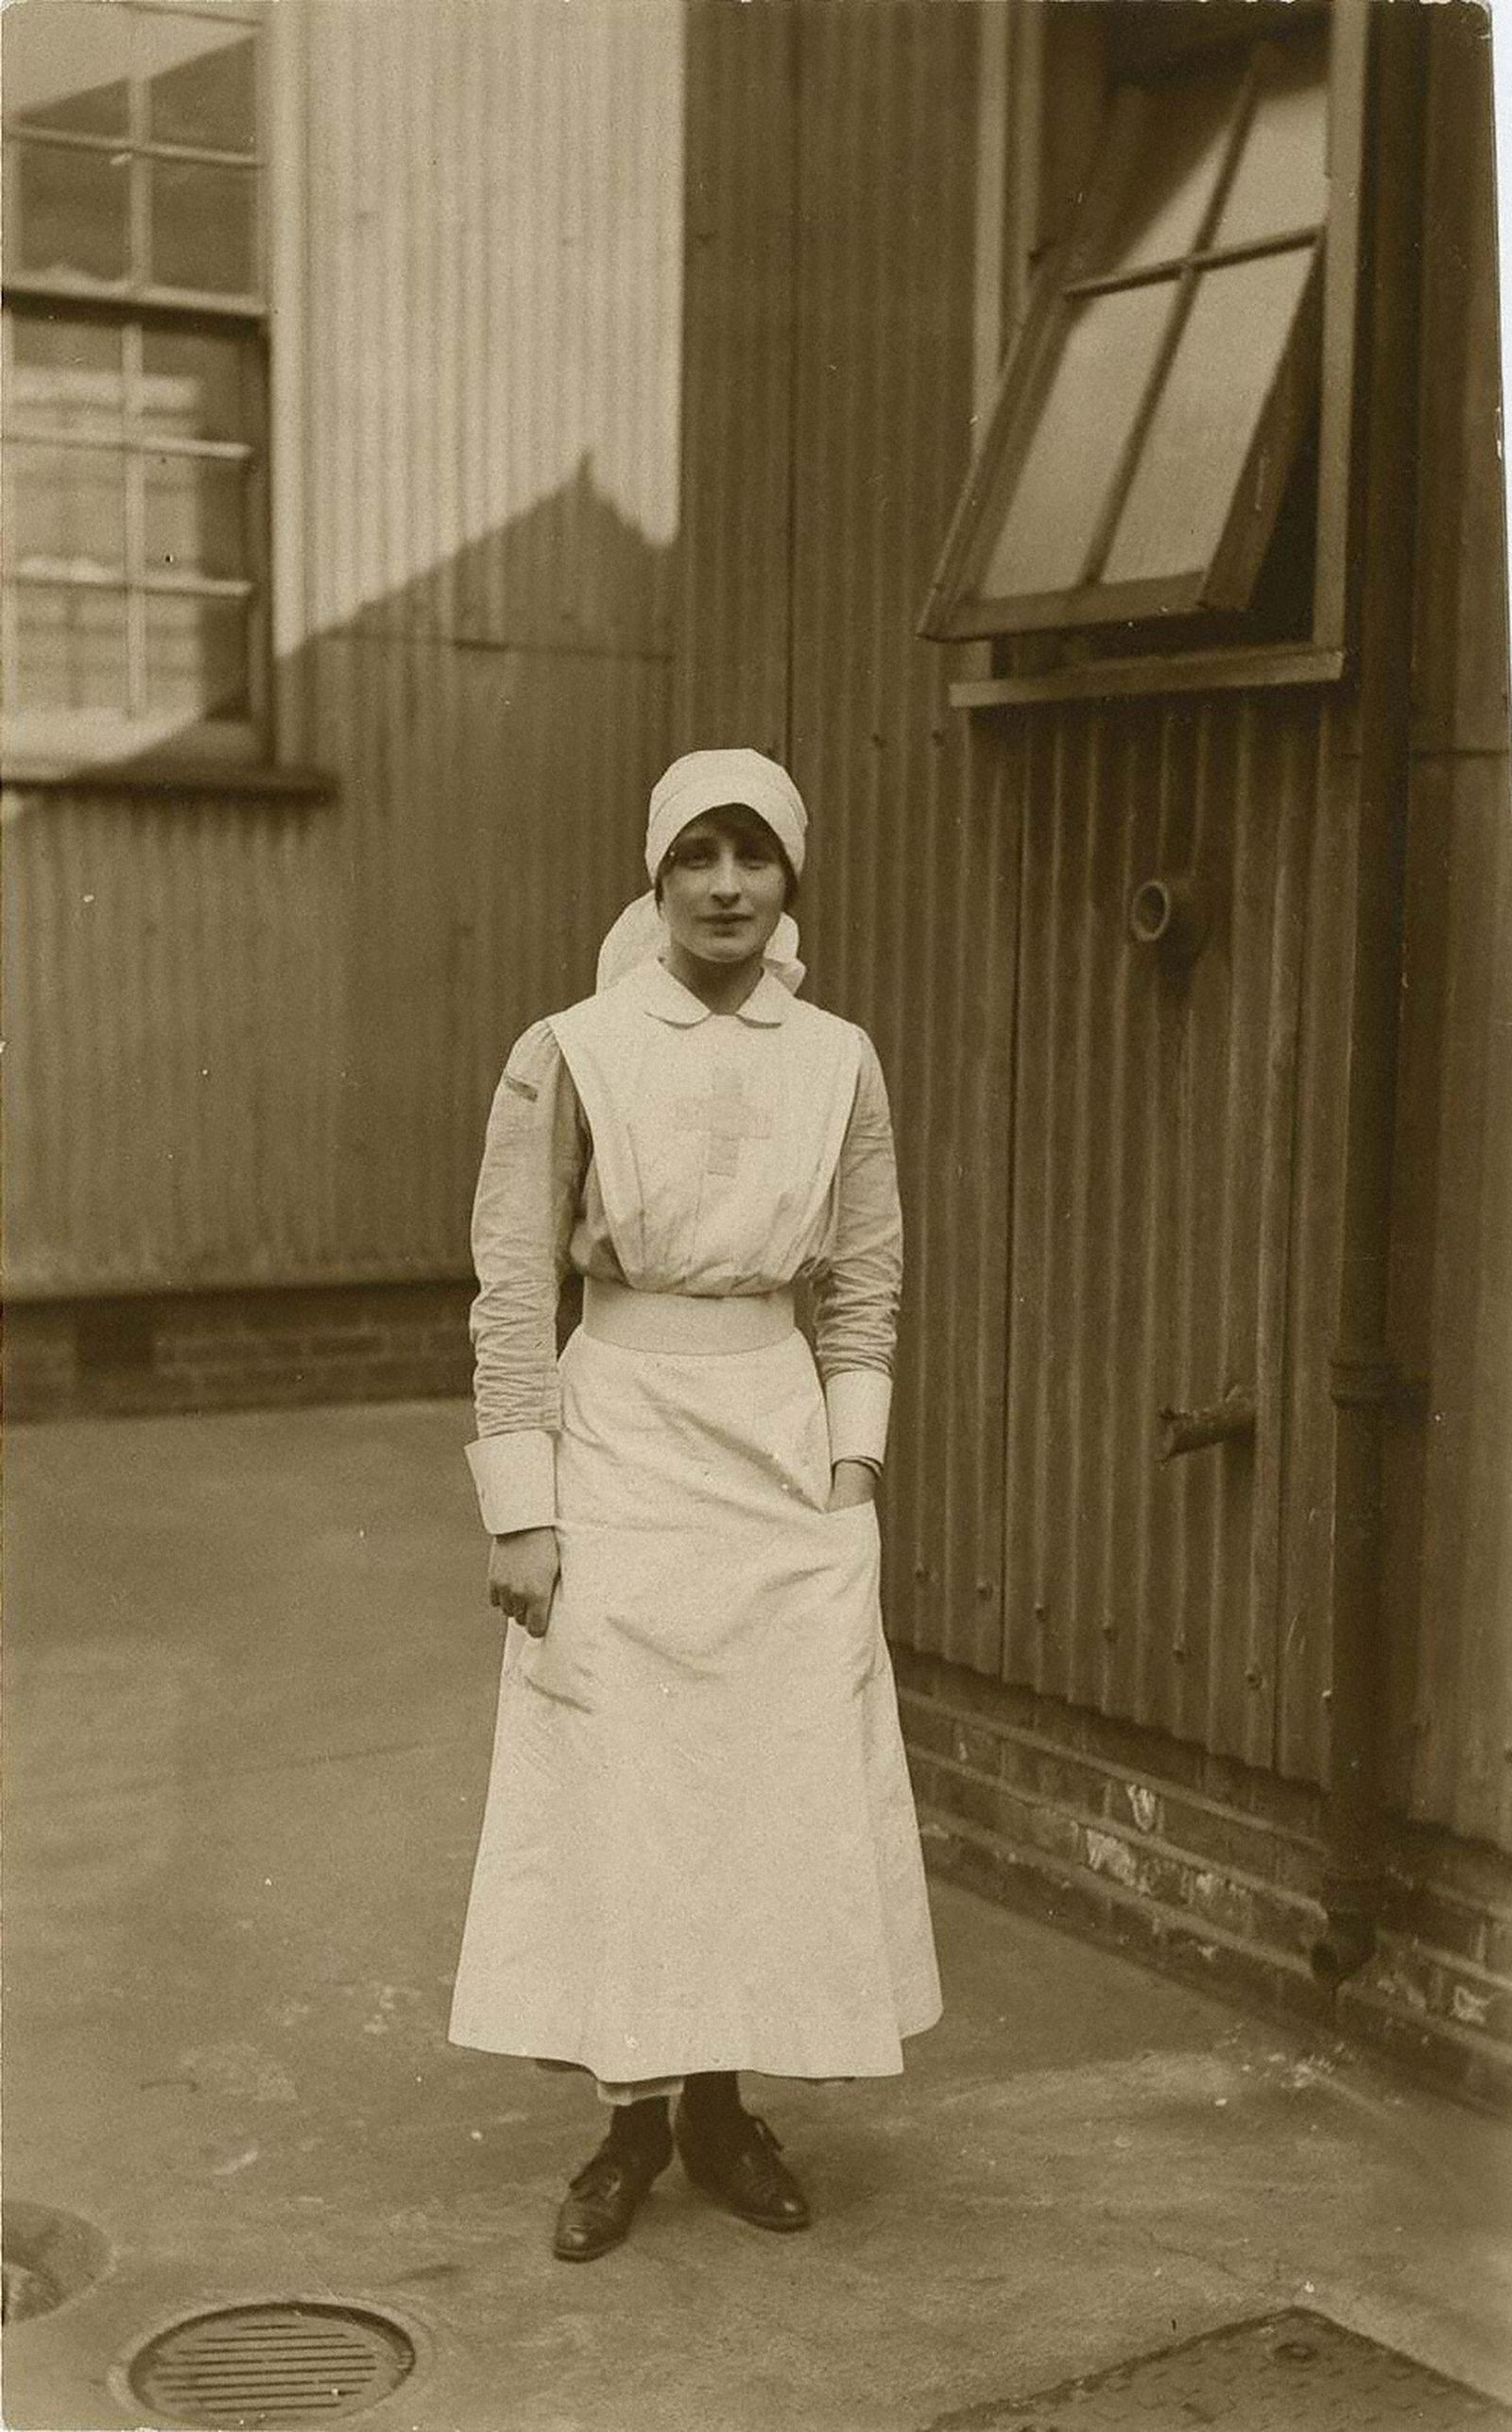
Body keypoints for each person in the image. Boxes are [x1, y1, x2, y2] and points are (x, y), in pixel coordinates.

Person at [450, 747, 941, 2261]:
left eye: (756, 858)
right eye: (697, 859)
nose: (727, 886)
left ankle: (724, 2111)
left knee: (760, 1789)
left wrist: (850, 1473)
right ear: (656, 878)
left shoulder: (838, 1058)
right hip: (621, 1443)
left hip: (780, 1458)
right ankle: (628, 2127)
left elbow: (864, 1282)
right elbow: (513, 1288)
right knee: (629, 1785)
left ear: (792, 877)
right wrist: (521, 1503)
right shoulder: (572, 1048)